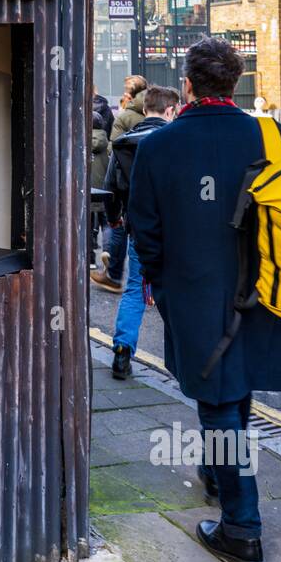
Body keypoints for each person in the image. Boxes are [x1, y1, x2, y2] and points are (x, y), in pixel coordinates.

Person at [127, 37, 281, 562]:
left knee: (220, 403)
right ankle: (214, 472)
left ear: (188, 84)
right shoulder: (280, 138)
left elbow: (144, 230)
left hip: (195, 290)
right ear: (236, 81)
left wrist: (158, 282)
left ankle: (241, 528)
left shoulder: (158, 145)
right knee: (234, 387)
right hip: (264, 290)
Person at [104, 86, 180, 380]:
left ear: (145, 108)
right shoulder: (176, 142)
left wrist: (114, 220)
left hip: (138, 229)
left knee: (135, 289)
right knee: (176, 292)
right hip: (175, 232)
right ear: (171, 110)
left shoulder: (124, 143)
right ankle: (185, 360)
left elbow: (111, 187)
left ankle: (122, 352)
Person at [92, 74, 149, 292]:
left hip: (126, 181)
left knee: (118, 225)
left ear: (131, 93)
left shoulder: (125, 115)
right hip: (150, 183)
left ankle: (115, 275)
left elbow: (114, 149)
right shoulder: (154, 108)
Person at [89, 105, 110, 268]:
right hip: (104, 187)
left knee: (88, 225)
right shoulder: (107, 143)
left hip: (89, 189)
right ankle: (109, 252)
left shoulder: (83, 141)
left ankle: (90, 259)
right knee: (106, 222)